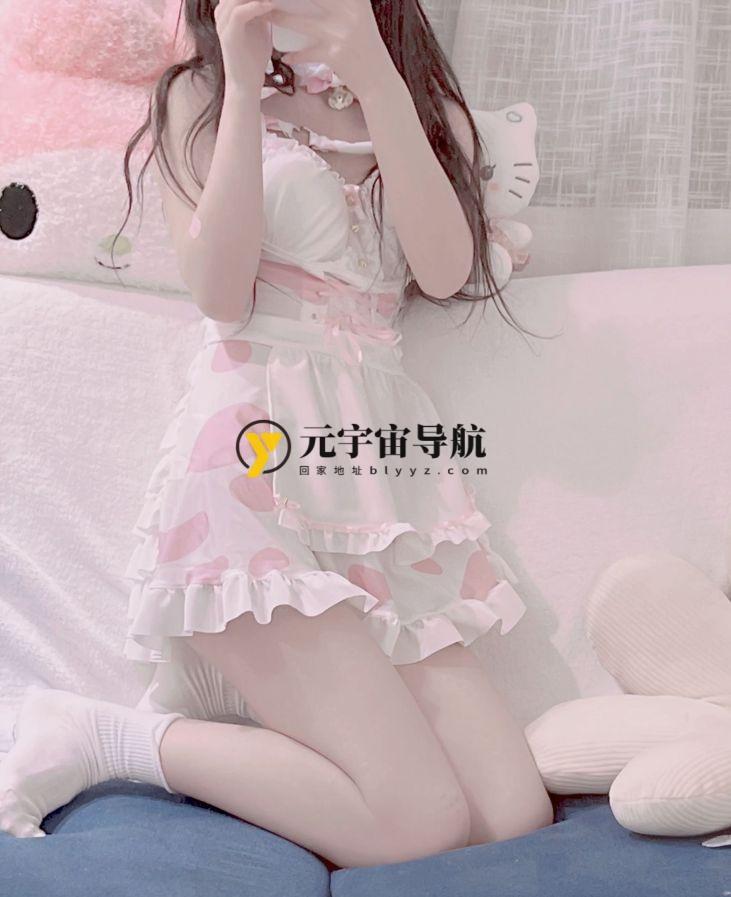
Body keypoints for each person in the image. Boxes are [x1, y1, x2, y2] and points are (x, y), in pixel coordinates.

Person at [0, 0, 553, 868]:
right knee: (421, 823)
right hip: (253, 480)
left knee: (512, 816)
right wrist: (242, 75)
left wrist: (375, 75)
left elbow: (445, 270)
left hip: (377, 484)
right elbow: (220, 293)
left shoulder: (421, 101)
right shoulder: (199, 94)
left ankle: (315, 753)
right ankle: (105, 736)